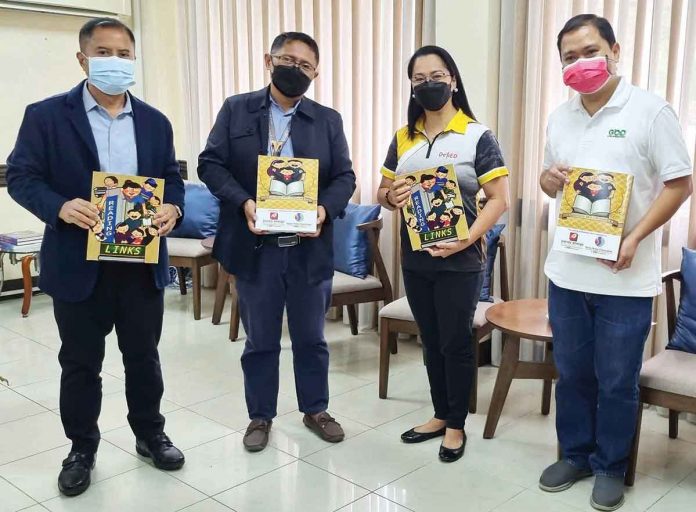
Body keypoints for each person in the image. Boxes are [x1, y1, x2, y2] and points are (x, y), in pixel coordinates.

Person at [6, 17, 186, 497]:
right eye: (105, 53)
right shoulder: (45, 116)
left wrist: (172, 205)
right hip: (76, 262)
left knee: (143, 358)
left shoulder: (154, 121)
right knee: (80, 363)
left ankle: (150, 434)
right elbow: (22, 177)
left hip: (140, 264)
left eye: (125, 54)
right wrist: (59, 207)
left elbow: (171, 177)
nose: (117, 62)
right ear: (83, 58)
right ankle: (81, 447)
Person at [538, 14, 692, 511]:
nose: (580, 63)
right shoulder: (560, 117)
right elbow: (551, 182)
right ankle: (576, 454)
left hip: (625, 277)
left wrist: (637, 238)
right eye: (569, 57)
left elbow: (679, 183)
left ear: (614, 49)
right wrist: (547, 180)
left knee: (617, 379)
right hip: (566, 271)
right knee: (573, 372)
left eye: (589, 51)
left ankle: (610, 465)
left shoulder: (651, 111)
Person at [198, 31, 355, 452]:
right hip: (255, 249)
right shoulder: (237, 110)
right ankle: (260, 416)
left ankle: (315, 409)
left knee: (311, 338)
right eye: (288, 61)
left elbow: (345, 176)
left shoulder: (327, 119)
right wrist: (244, 202)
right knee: (261, 340)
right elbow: (210, 164)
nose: (295, 70)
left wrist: (324, 210)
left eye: (305, 66)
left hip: (308, 248)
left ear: (316, 73)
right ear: (269, 61)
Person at [377, 45, 510, 463]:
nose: (428, 84)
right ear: (412, 86)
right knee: (430, 340)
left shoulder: (477, 135)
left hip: (461, 259)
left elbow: (500, 199)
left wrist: (467, 238)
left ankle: (456, 425)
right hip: (415, 258)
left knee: (455, 342)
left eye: (437, 76)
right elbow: (382, 192)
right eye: (419, 79)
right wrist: (391, 195)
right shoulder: (403, 137)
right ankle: (439, 413)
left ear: (452, 79)